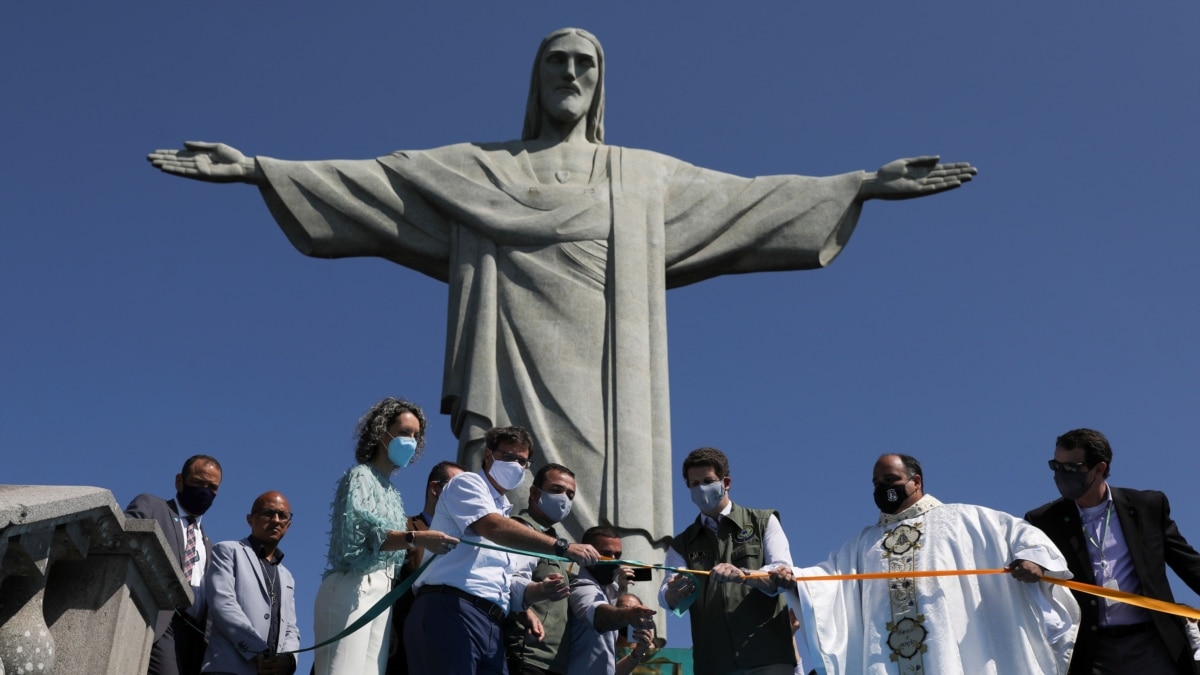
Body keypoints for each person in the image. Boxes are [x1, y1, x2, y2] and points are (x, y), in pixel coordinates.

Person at [147, 27, 977, 563]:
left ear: (601, 83)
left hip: (611, 377)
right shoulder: (481, 169)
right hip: (508, 355)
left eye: (586, 64)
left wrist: (857, 184)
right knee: (503, 493)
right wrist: (264, 168)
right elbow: (377, 183)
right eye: (557, 63)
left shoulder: (642, 179)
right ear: (536, 80)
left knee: (610, 512)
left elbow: (748, 199)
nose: (572, 74)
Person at [773, 454, 1079, 675]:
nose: (882, 488)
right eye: (876, 483)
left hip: (955, 650)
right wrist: (796, 579)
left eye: (890, 480)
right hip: (886, 656)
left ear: (916, 481)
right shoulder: (863, 543)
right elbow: (829, 578)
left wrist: (1033, 560)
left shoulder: (963, 518)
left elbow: (1022, 534)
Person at [406, 426, 601, 674]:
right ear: (489, 456)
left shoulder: (504, 510)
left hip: (490, 623)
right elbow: (492, 527)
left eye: (522, 461)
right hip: (450, 608)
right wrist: (562, 546)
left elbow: (507, 584)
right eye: (508, 457)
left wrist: (539, 590)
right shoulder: (466, 484)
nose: (516, 465)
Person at [1025, 428, 1200, 675]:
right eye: (1056, 466)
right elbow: (1032, 560)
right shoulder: (1044, 520)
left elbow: (1188, 562)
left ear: (1099, 469)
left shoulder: (1146, 506)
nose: (1061, 475)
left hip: (1153, 644)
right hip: (1090, 652)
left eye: (1071, 468)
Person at [312, 397, 459, 675]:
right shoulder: (359, 476)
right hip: (353, 586)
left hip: (382, 598)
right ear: (382, 432)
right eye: (405, 432)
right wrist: (416, 538)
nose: (412, 441)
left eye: (416, 436)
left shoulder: (393, 493)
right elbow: (359, 535)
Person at [658, 447, 796, 675]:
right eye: (694, 484)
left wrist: (743, 575)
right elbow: (666, 595)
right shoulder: (681, 544)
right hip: (713, 664)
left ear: (726, 482)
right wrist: (674, 592)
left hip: (768, 659)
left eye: (708, 481)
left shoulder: (764, 522)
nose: (701, 488)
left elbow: (782, 573)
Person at [126, 454, 223, 675]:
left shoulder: (209, 545)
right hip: (161, 620)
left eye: (212, 487)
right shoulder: (152, 506)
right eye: (199, 483)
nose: (205, 491)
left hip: (195, 637)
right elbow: (124, 542)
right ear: (180, 481)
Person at [202, 491, 299, 675]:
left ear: (289, 524)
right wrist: (256, 649)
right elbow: (223, 604)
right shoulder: (228, 551)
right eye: (268, 513)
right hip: (228, 669)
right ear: (250, 519)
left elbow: (291, 628)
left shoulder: (287, 576)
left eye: (283, 515)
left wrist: (288, 659)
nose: (276, 520)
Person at [385, 460, 465, 675]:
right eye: (458, 488)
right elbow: (384, 579)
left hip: (449, 645)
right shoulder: (405, 529)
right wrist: (387, 625)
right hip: (402, 645)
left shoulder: (467, 542)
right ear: (435, 489)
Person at [504, 463, 579, 675]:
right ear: (535, 492)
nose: (564, 499)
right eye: (557, 490)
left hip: (552, 662)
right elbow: (509, 581)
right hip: (526, 656)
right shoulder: (524, 530)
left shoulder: (551, 540)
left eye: (570, 494)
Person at [566, 527, 658, 675]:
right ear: (587, 554)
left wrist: (637, 654)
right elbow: (599, 615)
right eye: (606, 554)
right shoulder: (580, 587)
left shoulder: (609, 590)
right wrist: (627, 615)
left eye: (618, 555)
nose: (614, 560)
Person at [613, 594, 663, 675]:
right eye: (624, 609)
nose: (630, 614)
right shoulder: (602, 650)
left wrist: (649, 651)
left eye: (636, 611)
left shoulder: (655, 658)